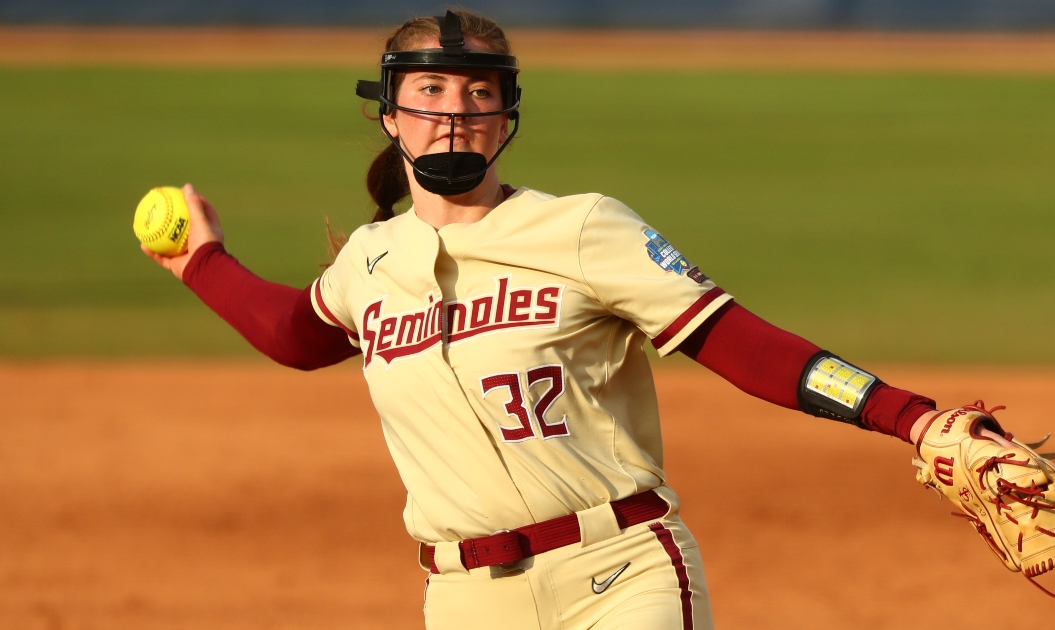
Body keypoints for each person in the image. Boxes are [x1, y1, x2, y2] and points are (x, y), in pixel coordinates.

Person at [142, 9, 944, 629]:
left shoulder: (584, 227)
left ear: (506, 116)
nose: (454, 113)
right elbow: (294, 333)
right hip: (464, 602)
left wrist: (908, 417)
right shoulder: (369, 261)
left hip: (622, 576)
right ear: (390, 114)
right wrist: (202, 263)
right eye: (430, 91)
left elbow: (739, 341)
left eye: (478, 93)